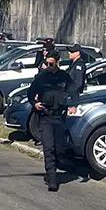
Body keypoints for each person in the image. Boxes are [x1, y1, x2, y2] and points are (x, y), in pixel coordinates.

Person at [27, 51, 72, 191]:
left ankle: (50, 173)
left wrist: (73, 105)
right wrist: (34, 104)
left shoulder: (64, 77)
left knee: (59, 149)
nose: (48, 66)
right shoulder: (42, 76)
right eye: (47, 63)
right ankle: (52, 179)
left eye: (51, 63)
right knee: (49, 148)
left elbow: (74, 92)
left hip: (59, 116)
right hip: (45, 116)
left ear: (57, 62)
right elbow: (30, 92)